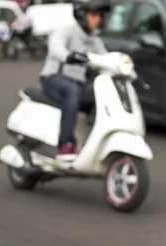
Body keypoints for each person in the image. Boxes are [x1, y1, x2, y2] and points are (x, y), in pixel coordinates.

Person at [39, 0, 110, 161]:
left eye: (99, 16)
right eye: (93, 15)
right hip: (54, 79)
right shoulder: (66, 32)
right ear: (82, 16)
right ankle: (65, 145)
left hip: (77, 84)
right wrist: (68, 55)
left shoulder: (95, 41)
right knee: (72, 91)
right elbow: (56, 47)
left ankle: (93, 146)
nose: (97, 19)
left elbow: (106, 59)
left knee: (102, 96)